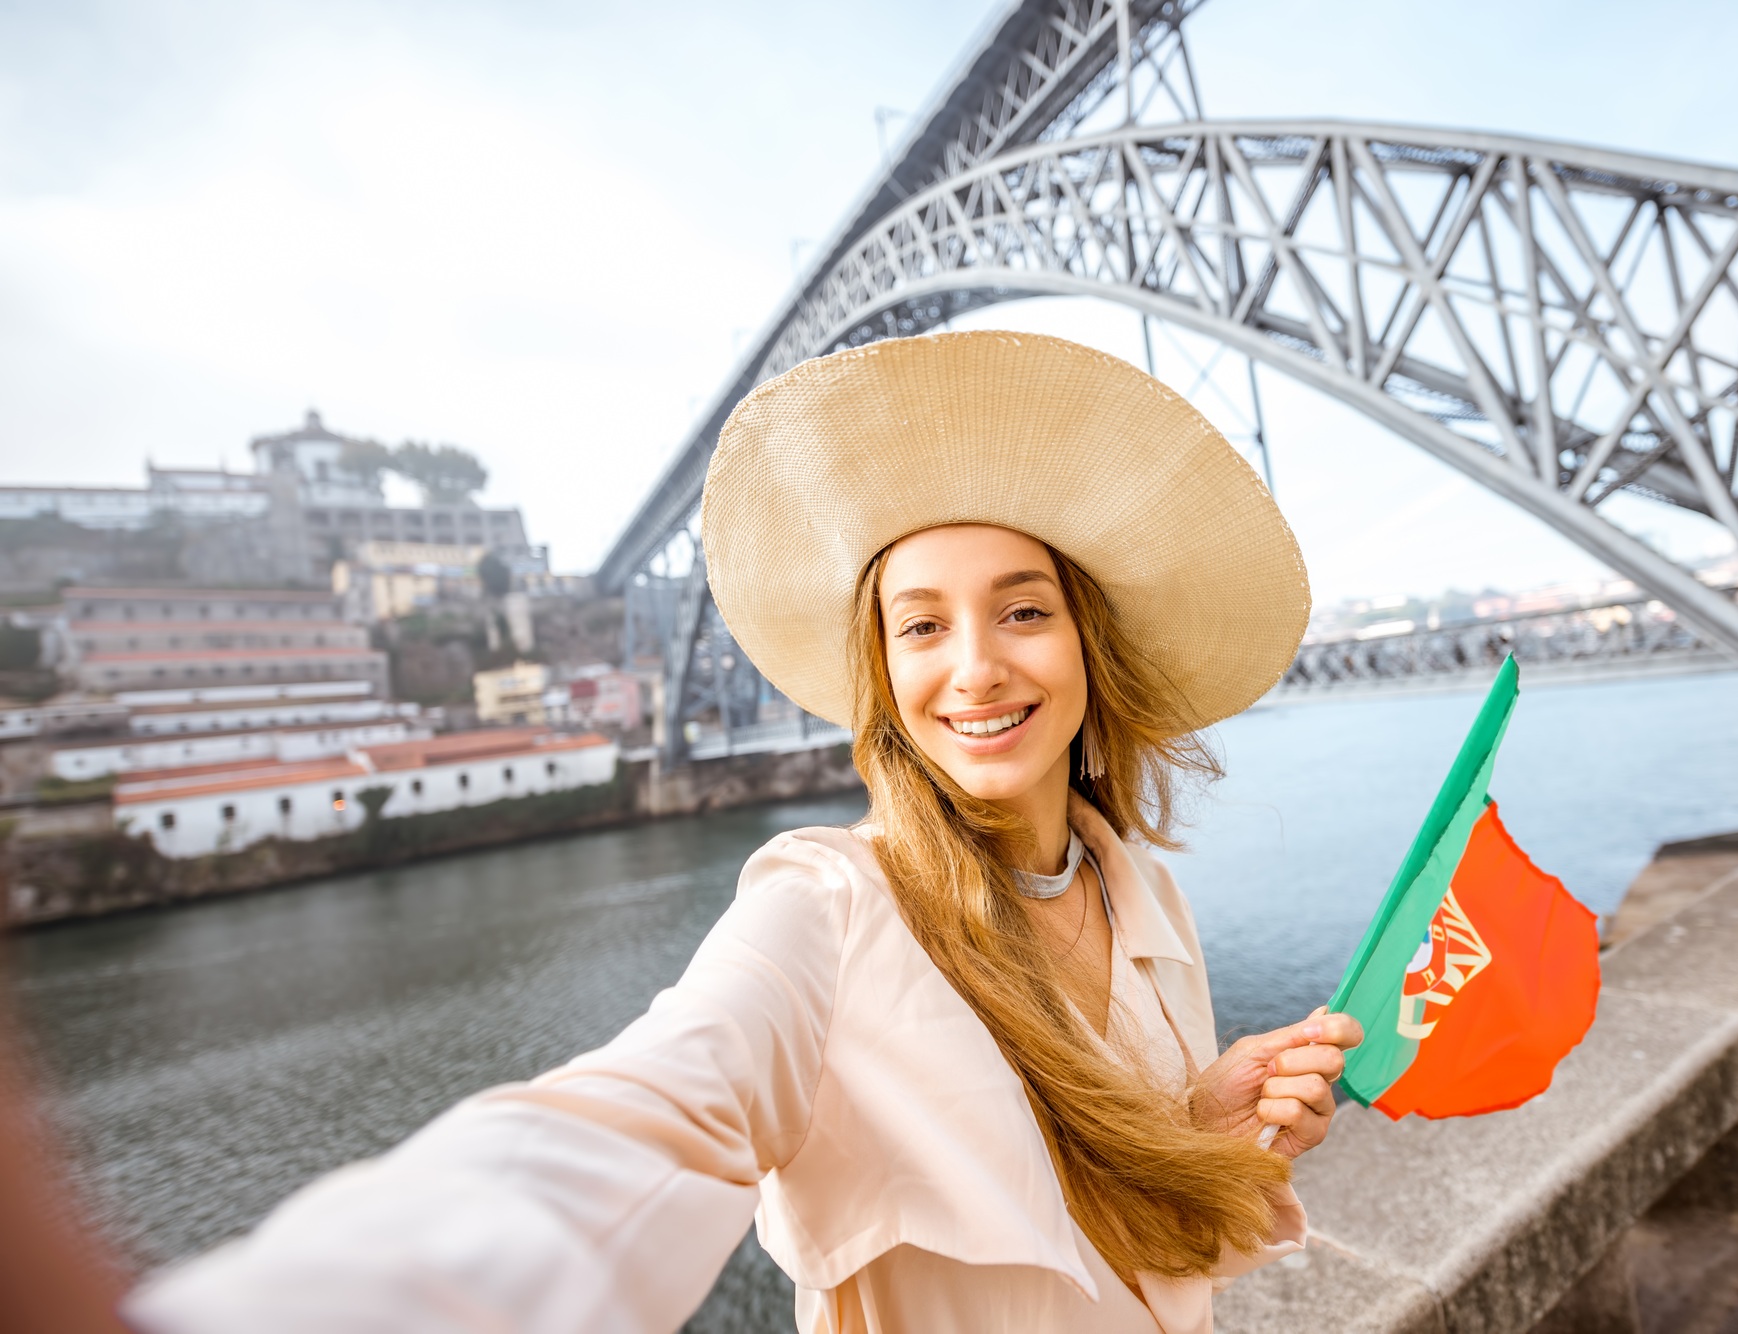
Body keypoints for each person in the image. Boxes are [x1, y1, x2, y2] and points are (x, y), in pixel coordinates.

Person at [123, 330, 1365, 1334]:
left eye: (1022, 609)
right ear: (883, 672)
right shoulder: (827, 906)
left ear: (1086, 643)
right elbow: (646, 1113)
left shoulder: (1139, 888)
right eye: (920, 625)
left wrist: (1192, 1132)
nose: (974, 666)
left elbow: (1148, 1261)